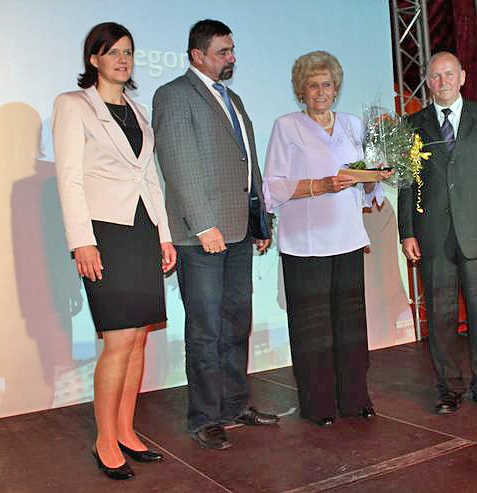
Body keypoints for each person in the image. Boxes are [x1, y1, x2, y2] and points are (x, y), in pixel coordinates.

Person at [52, 22, 176, 480]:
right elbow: (69, 179)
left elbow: (149, 179)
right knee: (119, 339)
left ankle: (126, 430)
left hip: (143, 230)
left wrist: (164, 234)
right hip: (104, 233)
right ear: (94, 59)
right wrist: (81, 241)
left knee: (139, 336)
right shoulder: (73, 105)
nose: (123, 60)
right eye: (113, 52)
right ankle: (104, 439)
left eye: (128, 52)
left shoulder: (138, 111)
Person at [152, 19, 278, 451]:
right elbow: (178, 164)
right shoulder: (173, 95)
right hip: (201, 236)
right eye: (223, 51)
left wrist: (261, 221)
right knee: (205, 329)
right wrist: (204, 225)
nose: (232, 58)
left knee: (237, 322)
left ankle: (235, 405)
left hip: (240, 231)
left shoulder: (232, 98)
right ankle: (205, 417)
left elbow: (248, 164)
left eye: (232, 50)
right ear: (197, 55)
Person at [263, 51, 392, 426]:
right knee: (312, 329)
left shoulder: (353, 124)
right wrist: (319, 186)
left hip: (348, 238)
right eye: (313, 85)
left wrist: (375, 177)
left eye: (327, 85)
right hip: (306, 243)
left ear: (337, 89)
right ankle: (318, 405)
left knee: (351, 325)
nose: (321, 92)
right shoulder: (287, 126)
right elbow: (273, 187)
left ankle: (355, 399)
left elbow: (365, 184)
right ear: (300, 91)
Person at [397, 52, 477, 414]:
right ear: (428, 82)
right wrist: (407, 231)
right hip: (432, 236)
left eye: (449, 74)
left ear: (463, 77)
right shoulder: (411, 125)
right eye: (435, 76)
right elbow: (407, 183)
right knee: (440, 316)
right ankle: (448, 387)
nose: (443, 81)